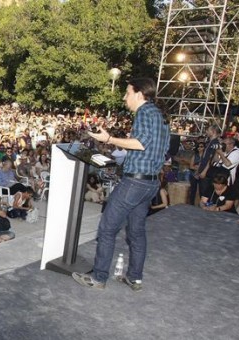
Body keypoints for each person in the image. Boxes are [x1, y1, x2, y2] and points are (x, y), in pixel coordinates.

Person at [73, 77, 170, 292]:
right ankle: (135, 278)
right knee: (136, 232)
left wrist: (109, 139)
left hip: (135, 182)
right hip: (151, 182)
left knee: (107, 228)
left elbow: (140, 143)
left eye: (127, 92)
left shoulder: (144, 112)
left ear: (139, 94)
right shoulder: (161, 116)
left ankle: (98, 278)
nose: (124, 97)